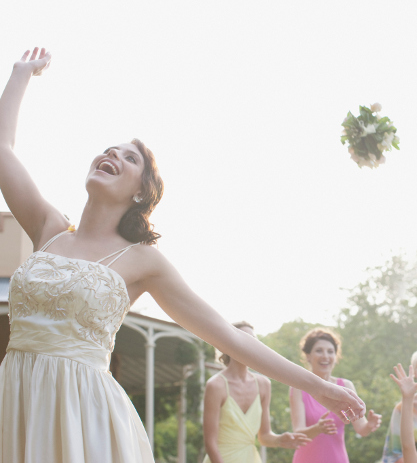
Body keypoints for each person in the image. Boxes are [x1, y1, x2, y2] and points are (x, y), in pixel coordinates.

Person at [0, 48, 365, 463]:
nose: (113, 154)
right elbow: (2, 149)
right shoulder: (47, 228)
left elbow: (227, 337)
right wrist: (20, 75)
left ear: (141, 192)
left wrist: (319, 387)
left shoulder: (143, 261)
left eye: (129, 156)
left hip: (85, 416)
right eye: (110, 149)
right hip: (16, 403)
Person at [203, 322, 311, 463]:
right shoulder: (216, 386)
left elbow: (264, 436)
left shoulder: (263, 384)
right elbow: (210, 443)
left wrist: (279, 440)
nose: (251, 345)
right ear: (227, 343)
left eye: (254, 340)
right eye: (244, 338)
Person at [289, 328, 382, 463]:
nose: (325, 356)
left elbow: (361, 429)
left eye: (330, 351)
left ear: (336, 357)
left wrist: (370, 425)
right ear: (308, 356)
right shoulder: (298, 388)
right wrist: (318, 429)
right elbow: (297, 434)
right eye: (319, 350)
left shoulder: (346, 386)